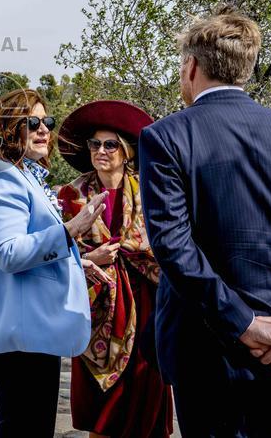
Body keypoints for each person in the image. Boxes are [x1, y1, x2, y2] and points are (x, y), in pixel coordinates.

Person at [138, 5, 271, 436]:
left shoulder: (166, 137)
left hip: (209, 356)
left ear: (191, 66)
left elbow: (174, 247)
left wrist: (247, 324)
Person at [0, 88, 108, 437]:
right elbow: (9, 252)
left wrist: (78, 261)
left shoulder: (18, 175)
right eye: (32, 122)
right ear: (7, 128)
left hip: (21, 333)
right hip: (20, 337)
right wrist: (71, 230)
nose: (44, 129)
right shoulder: (2, 176)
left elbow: (25, 246)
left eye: (48, 122)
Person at [56, 100, 173, 438]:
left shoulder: (149, 191)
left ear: (126, 152)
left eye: (110, 145)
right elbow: (58, 246)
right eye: (95, 144)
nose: (101, 151)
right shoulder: (73, 194)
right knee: (103, 407)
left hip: (145, 300)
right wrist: (90, 258)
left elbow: (163, 244)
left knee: (143, 387)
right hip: (95, 304)